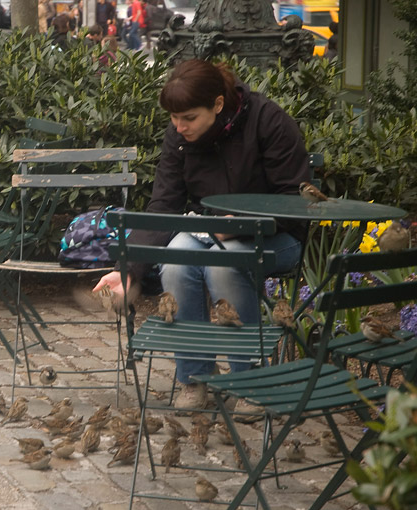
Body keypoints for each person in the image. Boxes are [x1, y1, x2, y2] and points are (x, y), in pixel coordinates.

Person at [93, 59, 308, 412]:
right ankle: (193, 378)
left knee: (223, 264)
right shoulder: (179, 134)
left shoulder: (268, 120)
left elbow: (293, 200)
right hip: (210, 231)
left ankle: (249, 381)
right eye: (175, 119)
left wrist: (239, 221)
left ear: (218, 105)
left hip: (278, 236)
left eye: (188, 118)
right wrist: (129, 270)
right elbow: (164, 204)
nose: (179, 127)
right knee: (176, 261)